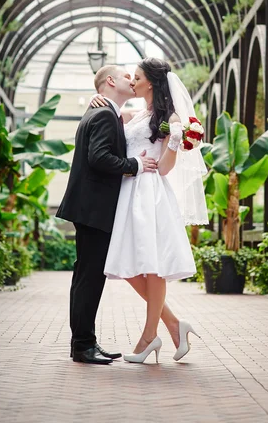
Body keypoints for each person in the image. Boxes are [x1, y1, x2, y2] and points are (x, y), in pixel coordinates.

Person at [91, 57, 208, 363]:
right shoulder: (138, 113)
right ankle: (173, 324)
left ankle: (148, 336)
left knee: (151, 265)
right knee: (127, 262)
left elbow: (166, 168)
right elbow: (113, 118)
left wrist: (174, 143)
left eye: (138, 77)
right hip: (128, 191)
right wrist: (95, 97)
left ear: (152, 83)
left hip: (149, 192)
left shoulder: (169, 119)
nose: (133, 81)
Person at [56, 65, 158, 365]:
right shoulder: (102, 113)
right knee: (89, 279)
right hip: (93, 208)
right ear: (111, 81)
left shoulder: (103, 111)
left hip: (90, 207)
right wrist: (135, 165)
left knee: (86, 277)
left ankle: (84, 342)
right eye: (128, 76)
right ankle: (83, 346)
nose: (132, 80)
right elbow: (98, 157)